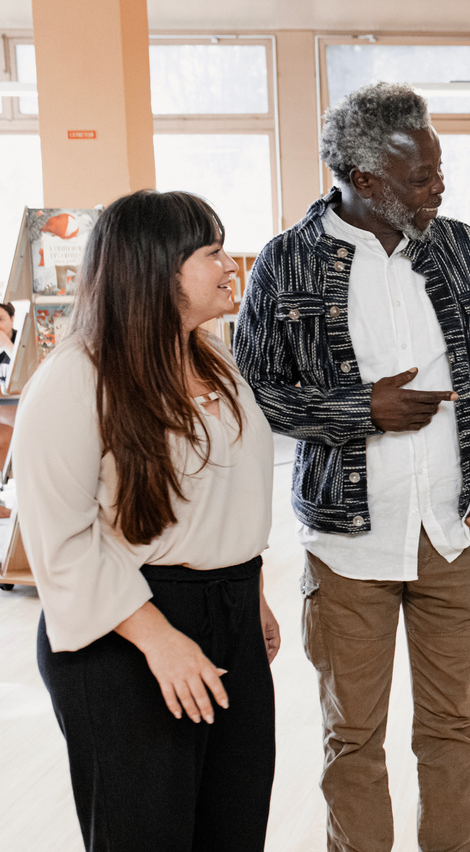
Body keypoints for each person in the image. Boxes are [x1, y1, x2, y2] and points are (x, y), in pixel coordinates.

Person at [234, 82, 470, 852]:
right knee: (352, 740)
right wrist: (361, 409)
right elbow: (256, 393)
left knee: (452, 730)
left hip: (454, 537)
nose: (438, 188)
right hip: (346, 544)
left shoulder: (459, 246)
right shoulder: (285, 264)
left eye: (437, 169)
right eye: (420, 177)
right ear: (364, 181)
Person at [14, 189, 280, 851]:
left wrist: (255, 596)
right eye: (211, 251)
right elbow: (62, 541)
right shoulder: (75, 378)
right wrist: (159, 638)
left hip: (231, 611)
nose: (230, 264)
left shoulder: (214, 363)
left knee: (235, 825)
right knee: (145, 833)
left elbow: (229, 494)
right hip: (128, 628)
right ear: (158, 269)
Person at [0, 301, 16, 390]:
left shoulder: (24, 340)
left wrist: (7, 344)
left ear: (12, 319)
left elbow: (30, 372)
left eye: (0, 319)